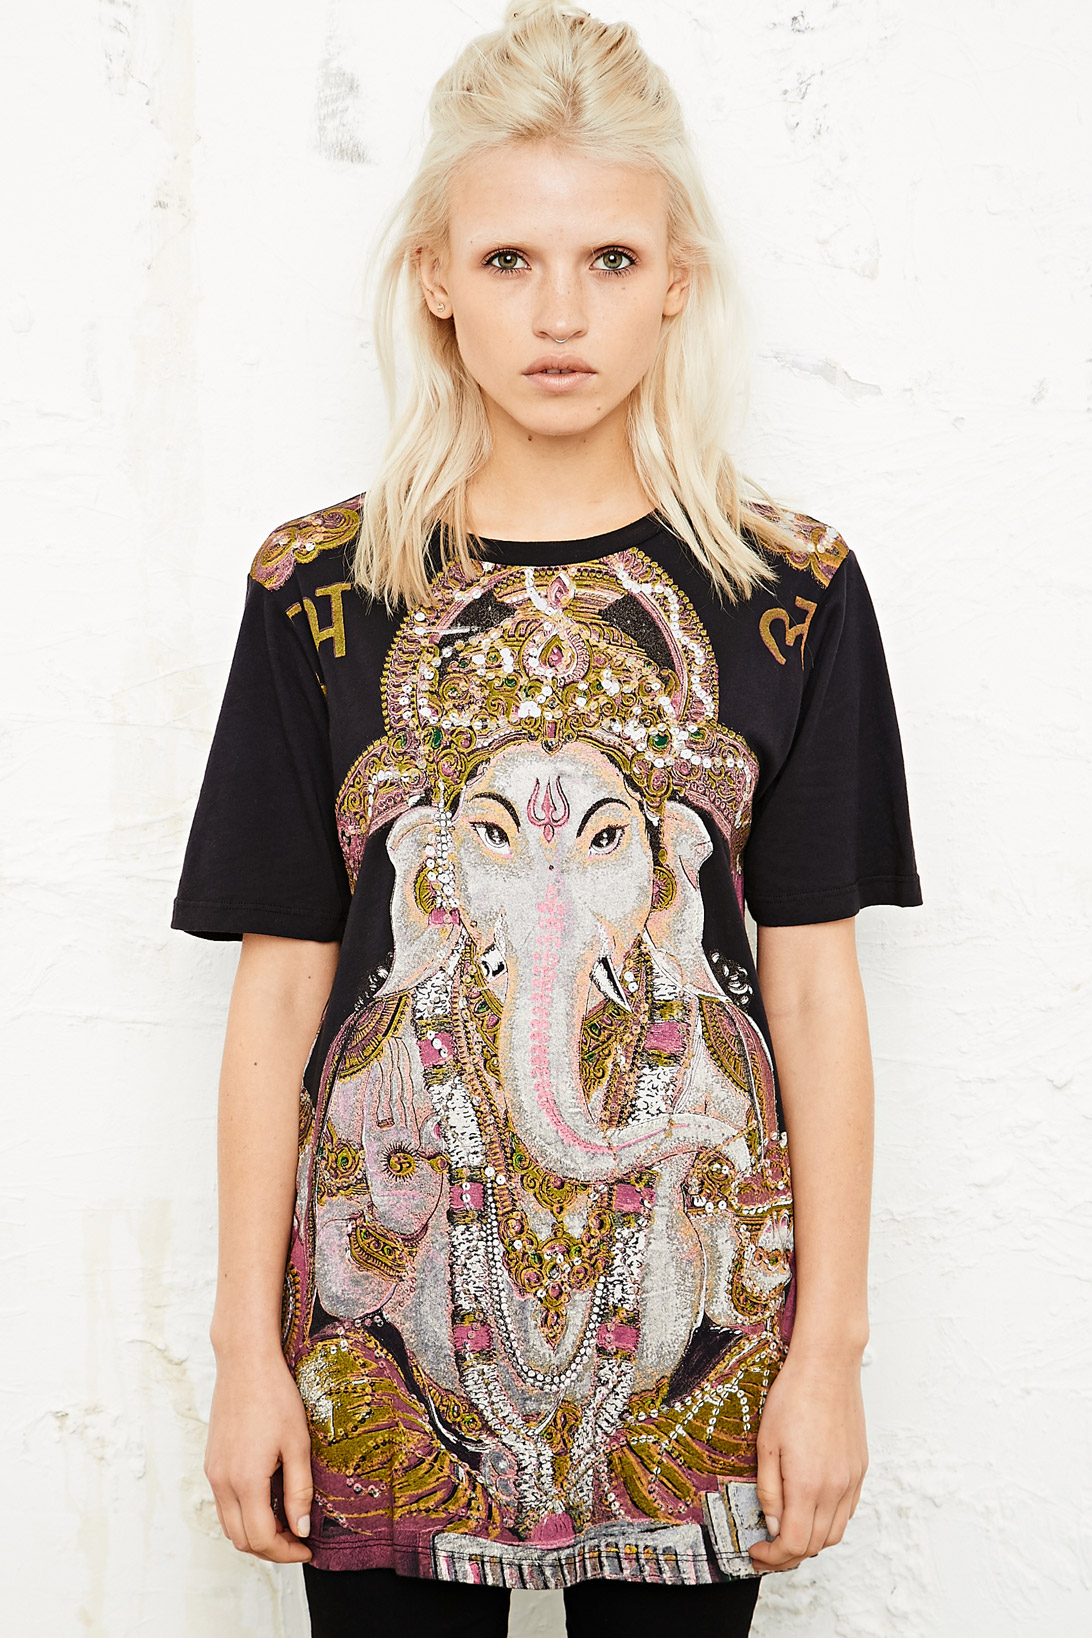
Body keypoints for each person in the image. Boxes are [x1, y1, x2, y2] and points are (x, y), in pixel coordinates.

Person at [171, 3, 921, 1633]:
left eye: (609, 260)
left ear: (679, 278)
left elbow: (810, 994)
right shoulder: (319, 591)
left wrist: (828, 1355)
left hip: (696, 1352)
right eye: (509, 260)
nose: (560, 314)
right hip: (382, 1346)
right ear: (436, 276)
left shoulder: (792, 593)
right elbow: (281, 996)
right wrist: (245, 1351)